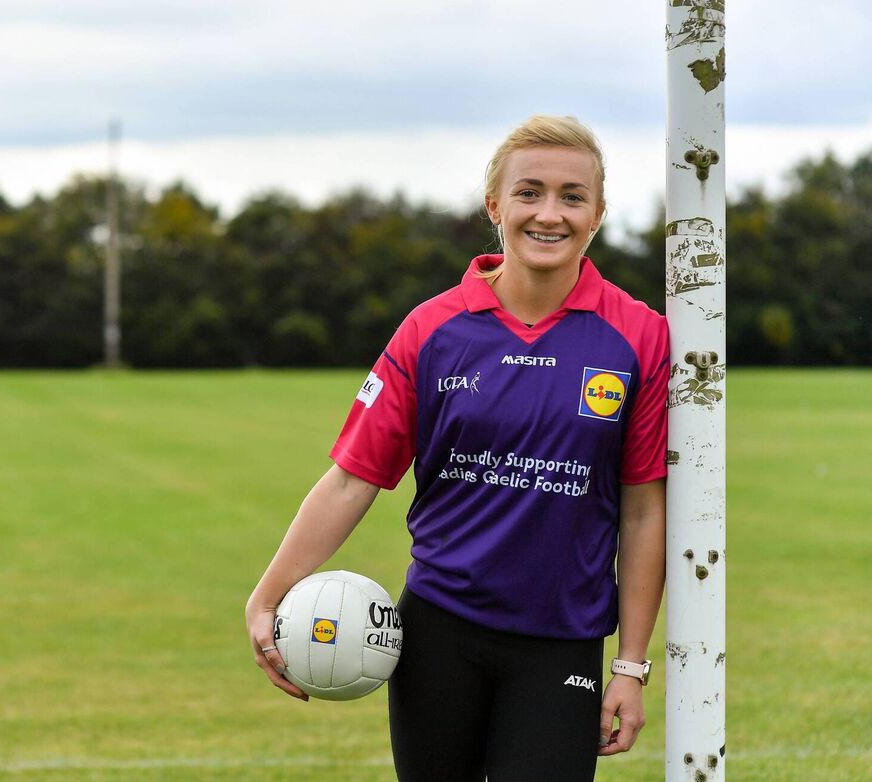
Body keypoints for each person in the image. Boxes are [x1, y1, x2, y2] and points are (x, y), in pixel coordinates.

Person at [245, 114, 669, 781]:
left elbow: (644, 510)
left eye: (571, 196)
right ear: (495, 205)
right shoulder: (431, 329)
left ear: (598, 213)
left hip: (562, 641)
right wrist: (268, 595)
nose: (548, 214)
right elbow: (353, 478)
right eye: (529, 193)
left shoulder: (640, 338)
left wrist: (632, 665)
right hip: (439, 634)